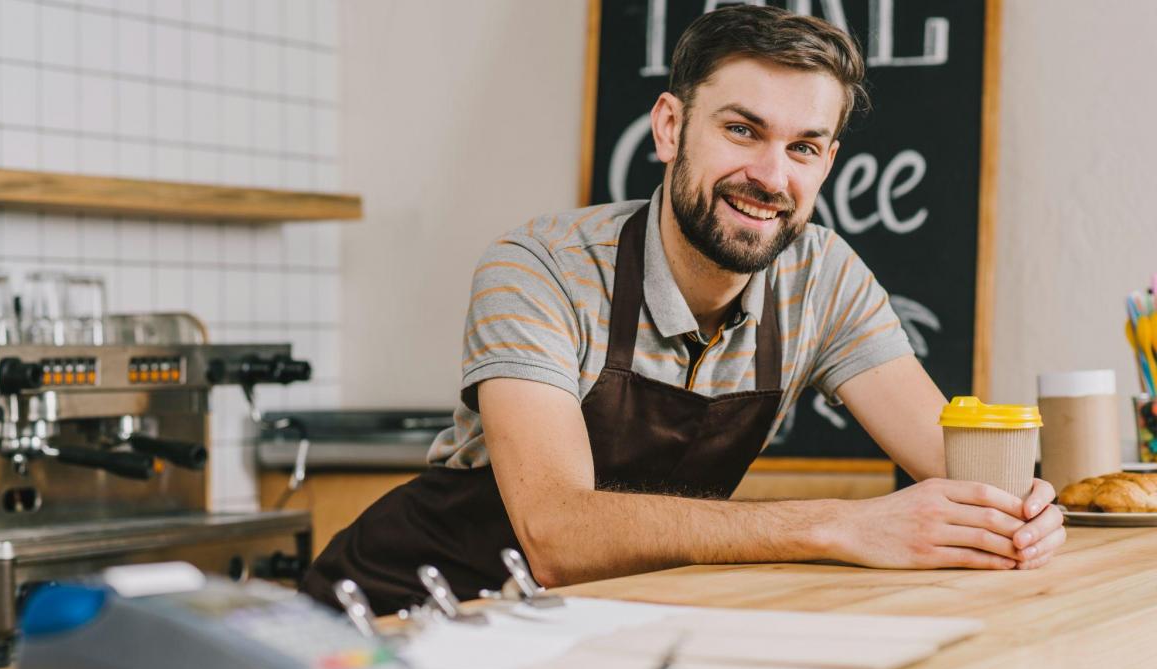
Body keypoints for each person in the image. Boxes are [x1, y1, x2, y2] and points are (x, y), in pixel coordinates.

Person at [302, 5, 1065, 615]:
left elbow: (955, 465)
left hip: (591, 622)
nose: (771, 175)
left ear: (829, 160)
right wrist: (844, 523)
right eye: (742, 130)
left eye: (805, 147)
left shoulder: (823, 278)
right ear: (671, 128)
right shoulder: (539, 269)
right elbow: (557, 533)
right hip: (405, 615)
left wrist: (1021, 508)